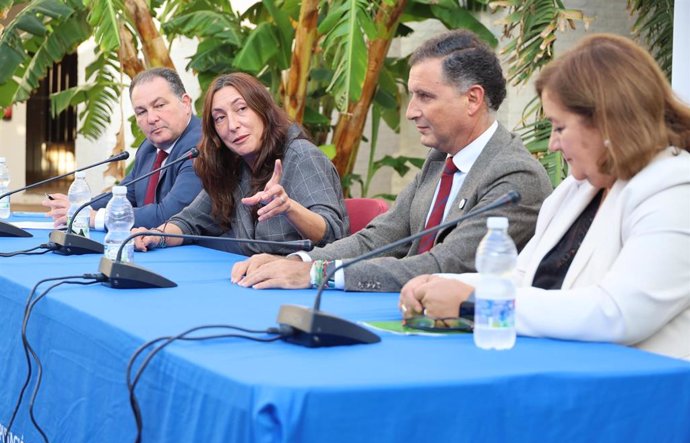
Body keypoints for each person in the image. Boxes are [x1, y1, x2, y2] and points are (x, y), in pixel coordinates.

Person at [399, 34, 690, 359]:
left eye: (560, 127)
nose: (552, 144)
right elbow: (523, 277)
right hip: (568, 371)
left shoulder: (676, 188)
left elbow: (619, 313)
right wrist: (437, 282)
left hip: (648, 392)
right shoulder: (578, 188)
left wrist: (472, 304)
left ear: (608, 123)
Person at [230, 29, 552, 291]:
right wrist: (299, 261)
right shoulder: (440, 158)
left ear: (472, 99)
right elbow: (382, 236)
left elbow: (443, 266)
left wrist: (319, 275)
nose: (411, 111)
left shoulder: (515, 175)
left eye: (424, 96)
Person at [130, 72, 348, 255]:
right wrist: (156, 236)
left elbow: (333, 234)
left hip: (302, 287)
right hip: (250, 280)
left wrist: (289, 208)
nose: (232, 125)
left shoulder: (301, 156)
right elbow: (189, 221)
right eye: (220, 118)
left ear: (263, 110)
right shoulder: (233, 165)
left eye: (241, 109)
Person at [43, 67, 203, 229]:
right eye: (141, 112)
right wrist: (82, 207)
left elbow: (169, 215)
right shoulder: (149, 148)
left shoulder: (200, 146)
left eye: (159, 105)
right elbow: (125, 194)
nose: (151, 118)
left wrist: (95, 218)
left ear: (185, 103)